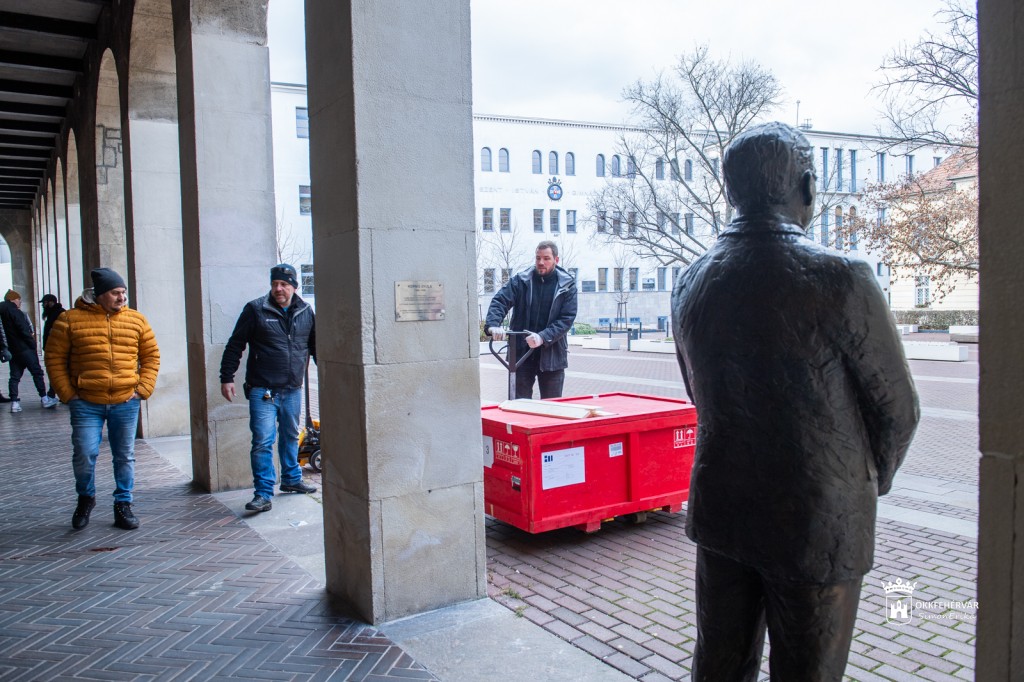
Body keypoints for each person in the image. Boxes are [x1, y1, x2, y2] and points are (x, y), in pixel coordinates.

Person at [671, 122, 920, 681]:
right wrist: (861, 482)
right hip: (817, 519)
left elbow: (699, 394)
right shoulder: (844, 278)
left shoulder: (690, 282)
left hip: (723, 507)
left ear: (732, 191)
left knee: (719, 663)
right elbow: (898, 411)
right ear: (806, 186)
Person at [45, 268, 161, 531]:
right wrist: (68, 394)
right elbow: (54, 358)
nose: (122, 298)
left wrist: (142, 389)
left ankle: (123, 504)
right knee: (85, 453)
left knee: (124, 456)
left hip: (125, 401)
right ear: (99, 295)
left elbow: (151, 356)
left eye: (123, 292)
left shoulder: (136, 320)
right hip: (86, 402)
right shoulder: (69, 320)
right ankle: (86, 497)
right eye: (116, 293)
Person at [220, 263, 318, 513]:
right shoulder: (255, 309)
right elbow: (235, 344)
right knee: (263, 441)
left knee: (290, 436)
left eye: (284, 284)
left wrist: (329, 377)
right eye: (275, 284)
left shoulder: (306, 311)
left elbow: (316, 346)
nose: (278, 288)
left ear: (294, 287)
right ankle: (263, 493)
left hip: (293, 389)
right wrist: (227, 377)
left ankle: (291, 479)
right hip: (263, 390)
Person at [485, 240, 577, 399]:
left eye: (546, 258)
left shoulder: (567, 285)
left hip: (552, 355)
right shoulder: (521, 280)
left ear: (556, 260)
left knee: (552, 406)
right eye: (538, 258)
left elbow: (566, 318)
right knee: (519, 403)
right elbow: (500, 300)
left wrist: (543, 337)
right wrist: (493, 324)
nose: (541, 262)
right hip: (521, 354)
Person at [0, 289, 59, 412]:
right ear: (14, 299)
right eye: (19, 300)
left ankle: (15, 403)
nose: (20, 303)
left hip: (13, 350)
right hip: (25, 349)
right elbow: (23, 329)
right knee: (37, 373)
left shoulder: (3, 313)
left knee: (14, 377)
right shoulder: (16, 312)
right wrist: (32, 344)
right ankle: (44, 399)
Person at [39, 293, 66, 401]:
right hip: (53, 348)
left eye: (45, 303)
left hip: (58, 348)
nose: (43, 305)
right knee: (55, 371)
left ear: (51, 302)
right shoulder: (52, 313)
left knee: (56, 371)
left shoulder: (60, 313)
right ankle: (54, 394)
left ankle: (54, 394)